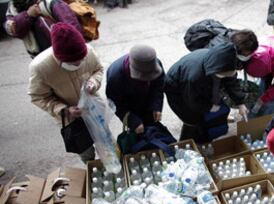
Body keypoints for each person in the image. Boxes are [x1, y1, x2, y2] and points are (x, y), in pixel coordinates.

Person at [28, 22, 103, 162]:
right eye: (74, 62)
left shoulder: (88, 51)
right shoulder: (41, 68)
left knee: (104, 142)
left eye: (81, 59)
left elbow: (98, 69)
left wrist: (94, 82)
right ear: (59, 58)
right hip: (71, 120)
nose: (79, 63)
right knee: (86, 152)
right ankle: (92, 168)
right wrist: (65, 110)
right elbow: (38, 97)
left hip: (93, 108)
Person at [164, 42, 248, 143]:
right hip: (178, 89)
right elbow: (193, 101)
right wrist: (209, 107)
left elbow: (231, 81)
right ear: (218, 71)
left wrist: (240, 102)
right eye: (226, 74)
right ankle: (185, 142)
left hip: (198, 85)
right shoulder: (195, 77)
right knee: (191, 118)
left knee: (209, 111)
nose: (230, 75)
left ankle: (204, 132)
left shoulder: (224, 61)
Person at [106, 45, 164, 136]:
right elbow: (115, 103)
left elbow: (159, 85)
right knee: (137, 130)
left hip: (148, 101)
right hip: (129, 106)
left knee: (152, 128)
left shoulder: (155, 64)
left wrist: (156, 106)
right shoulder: (115, 76)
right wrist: (132, 121)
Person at [4, 0, 81, 58]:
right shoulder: (13, 8)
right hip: (38, 57)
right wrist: (27, 15)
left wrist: (76, 53)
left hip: (65, 55)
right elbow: (13, 30)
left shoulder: (51, 2)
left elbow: (73, 30)